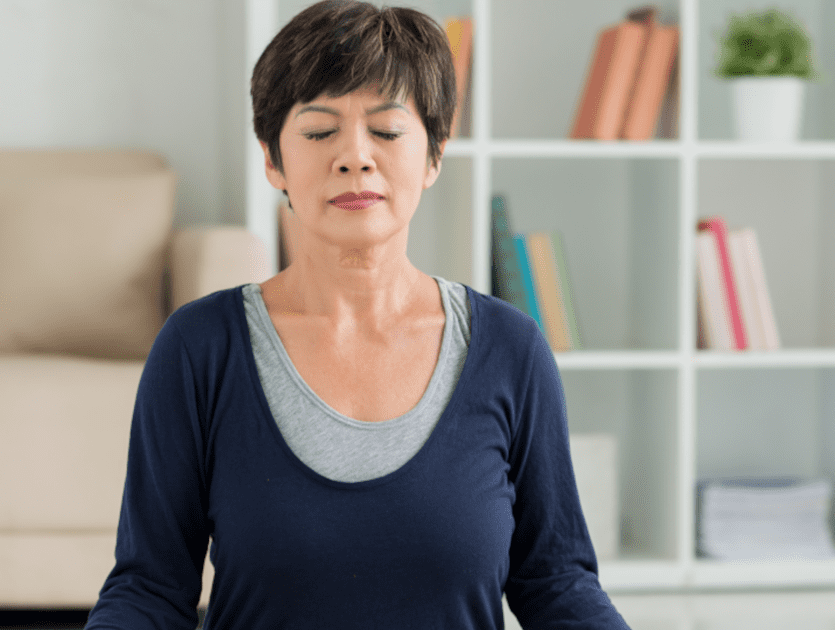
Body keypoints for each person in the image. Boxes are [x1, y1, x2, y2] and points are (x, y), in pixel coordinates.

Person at [85, 1, 630, 628]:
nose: (354, 156)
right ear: (273, 159)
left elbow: (555, 581)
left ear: (434, 155)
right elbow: (150, 588)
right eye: (319, 131)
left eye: (388, 130)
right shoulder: (200, 348)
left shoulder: (511, 349)